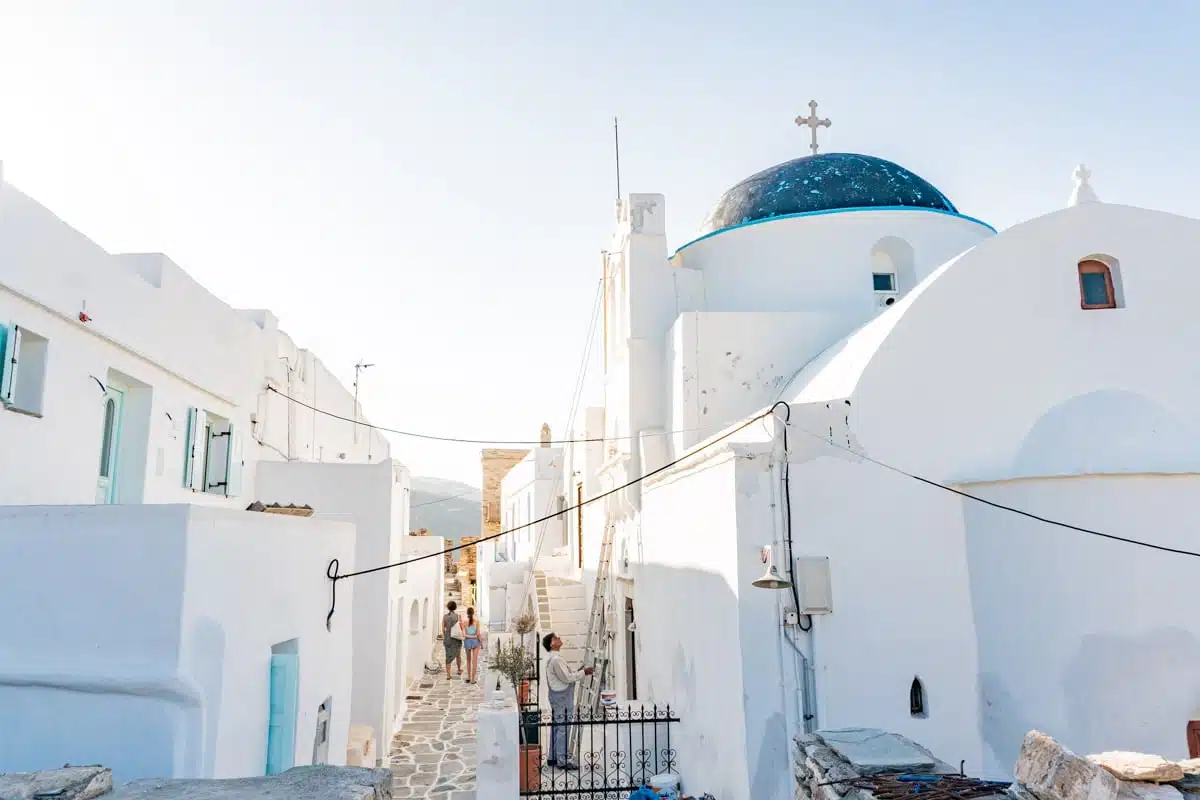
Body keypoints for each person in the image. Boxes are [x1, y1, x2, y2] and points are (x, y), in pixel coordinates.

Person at [543, 632, 593, 770]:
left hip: (558, 696)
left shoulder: (555, 659)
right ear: (552, 643)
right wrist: (584, 673)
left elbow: (566, 675)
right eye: (556, 638)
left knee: (558, 727)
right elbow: (567, 678)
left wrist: (579, 671)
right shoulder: (556, 660)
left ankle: (553, 757)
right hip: (562, 697)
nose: (560, 639)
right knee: (563, 728)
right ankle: (562, 760)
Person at [462, 606, 484, 684]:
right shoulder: (477, 622)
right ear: (473, 613)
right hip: (475, 642)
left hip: (467, 642)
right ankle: (473, 679)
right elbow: (478, 634)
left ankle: (468, 677)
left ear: (467, 614)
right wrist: (481, 643)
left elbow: (464, 635)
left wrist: (468, 636)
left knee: (468, 660)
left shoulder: (464, 623)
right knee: (474, 661)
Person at [442, 601, 463, 680]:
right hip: (456, 639)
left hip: (448, 639)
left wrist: (446, 636)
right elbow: (461, 628)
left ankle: (448, 675)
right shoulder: (458, 616)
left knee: (448, 656)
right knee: (458, 654)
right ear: (455, 607)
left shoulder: (444, 617)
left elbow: (443, 629)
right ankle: (459, 670)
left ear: (448, 607)